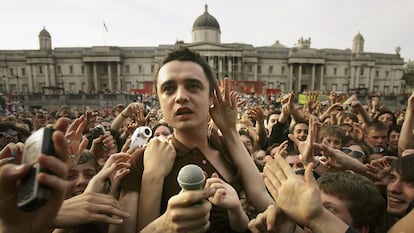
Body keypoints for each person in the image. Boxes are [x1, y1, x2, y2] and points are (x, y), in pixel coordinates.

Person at [111, 48, 273, 233]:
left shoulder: (229, 149)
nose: (180, 97)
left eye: (193, 86)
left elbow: (262, 200)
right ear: (159, 100)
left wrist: (229, 129)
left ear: (212, 96)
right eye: (169, 89)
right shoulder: (140, 160)